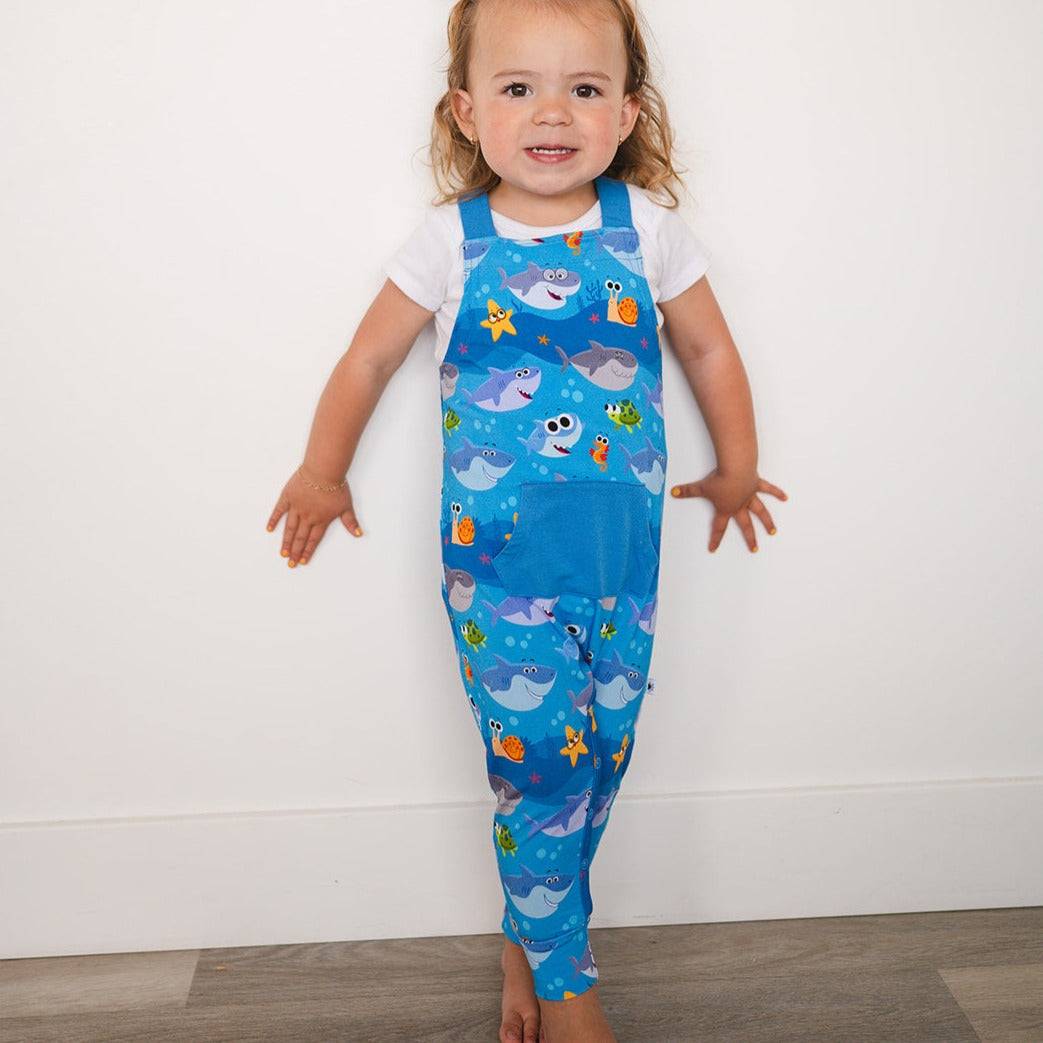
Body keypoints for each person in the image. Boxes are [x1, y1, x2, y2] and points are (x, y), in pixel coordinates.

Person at [266, 1, 787, 1040]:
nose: (552, 111)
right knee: (538, 771)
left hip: (619, 565)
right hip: (497, 574)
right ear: (465, 111)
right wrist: (323, 470)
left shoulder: (647, 232)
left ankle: (528, 940)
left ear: (627, 111)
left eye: (583, 88)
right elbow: (366, 359)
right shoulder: (446, 245)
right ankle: (570, 993)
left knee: (594, 771)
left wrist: (739, 466)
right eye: (517, 87)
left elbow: (710, 354)